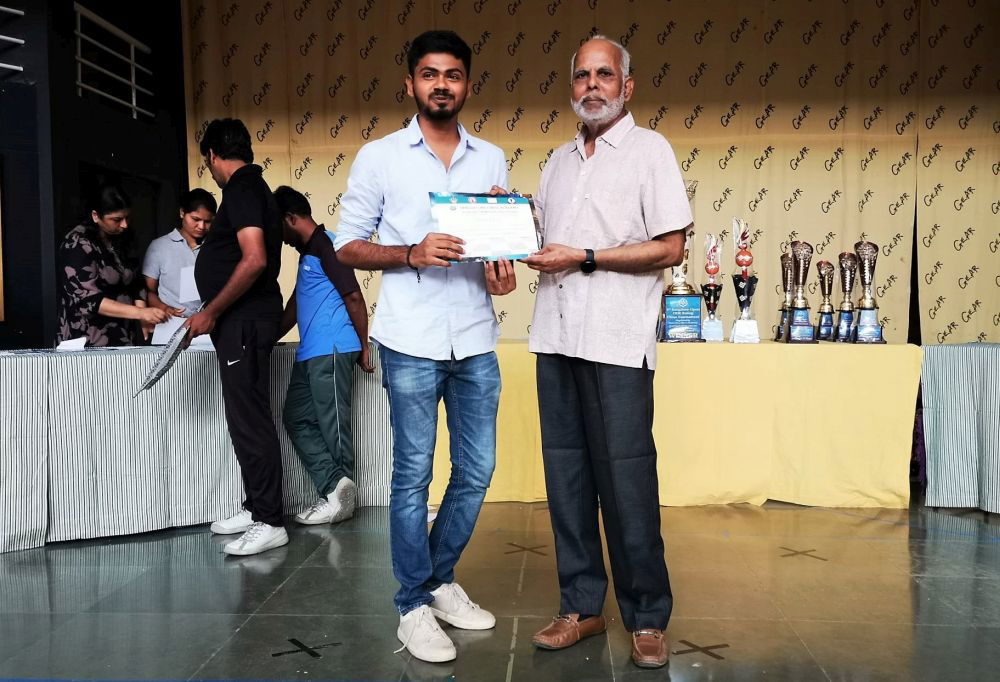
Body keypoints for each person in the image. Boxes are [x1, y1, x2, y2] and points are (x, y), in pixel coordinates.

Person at [334, 30, 516, 664]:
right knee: (412, 476)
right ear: (410, 82)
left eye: (453, 74)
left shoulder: (490, 159)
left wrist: (501, 271)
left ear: (467, 84)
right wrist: (410, 253)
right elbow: (346, 246)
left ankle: (437, 580)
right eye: (430, 74)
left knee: (478, 470)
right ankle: (412, 603)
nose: (442, 84)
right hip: (409, 339)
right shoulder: (380, 157)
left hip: (475, 336)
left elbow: (495, 249)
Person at [523, 36, 693, 669]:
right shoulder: (556, 163)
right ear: (571, 86)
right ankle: (581, 607)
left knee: (627, 480)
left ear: (627, 86)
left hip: (618, 341)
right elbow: (540, 238)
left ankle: (647, 616)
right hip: (555, 336)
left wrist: (586, 256)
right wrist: (500, 229)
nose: (592, 85)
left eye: (604, 74)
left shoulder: (651, 151)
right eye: (582, 76)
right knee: (566, 477)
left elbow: (671, 247)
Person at [187, 118, 287, 557]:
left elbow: (254, 259)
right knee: (245, 415)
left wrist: (210, 311)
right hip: (242, 322)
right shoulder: (250, 188)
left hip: (243, 321)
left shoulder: (243, 188)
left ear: (212, 156)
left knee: (249, 419)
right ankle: (256, 507)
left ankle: (270, 520)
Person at [273, 185, 374, 526]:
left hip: (331, 348)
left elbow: (354, 296)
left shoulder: (327, 244)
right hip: (310, 352)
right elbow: (296, 304)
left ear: (291, 218)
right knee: (295, 418)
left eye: (279, 226)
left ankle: (340, 502)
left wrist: (363, 345)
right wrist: (268, 339)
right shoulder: (309, 252)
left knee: (334, 426)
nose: (279, 236)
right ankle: (334, 487)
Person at [57, 183, 169, 346]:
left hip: (123, 335)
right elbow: (88, 300)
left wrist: (144, 317)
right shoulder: (76, 244)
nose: (125, 225)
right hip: (87, 339)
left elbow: (136, 282)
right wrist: (140, 313)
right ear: (96, 216)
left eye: (127, 218)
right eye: (117, 219)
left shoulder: (122, 238)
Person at [142, 188, 217, 318]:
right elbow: (147, 291)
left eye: (207, 221)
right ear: (182, 213)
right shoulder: (159, 246)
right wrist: (163, 308)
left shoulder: (216, 247)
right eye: (195, 219)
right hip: (171, 322)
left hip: (209, 322)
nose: (201, 226)